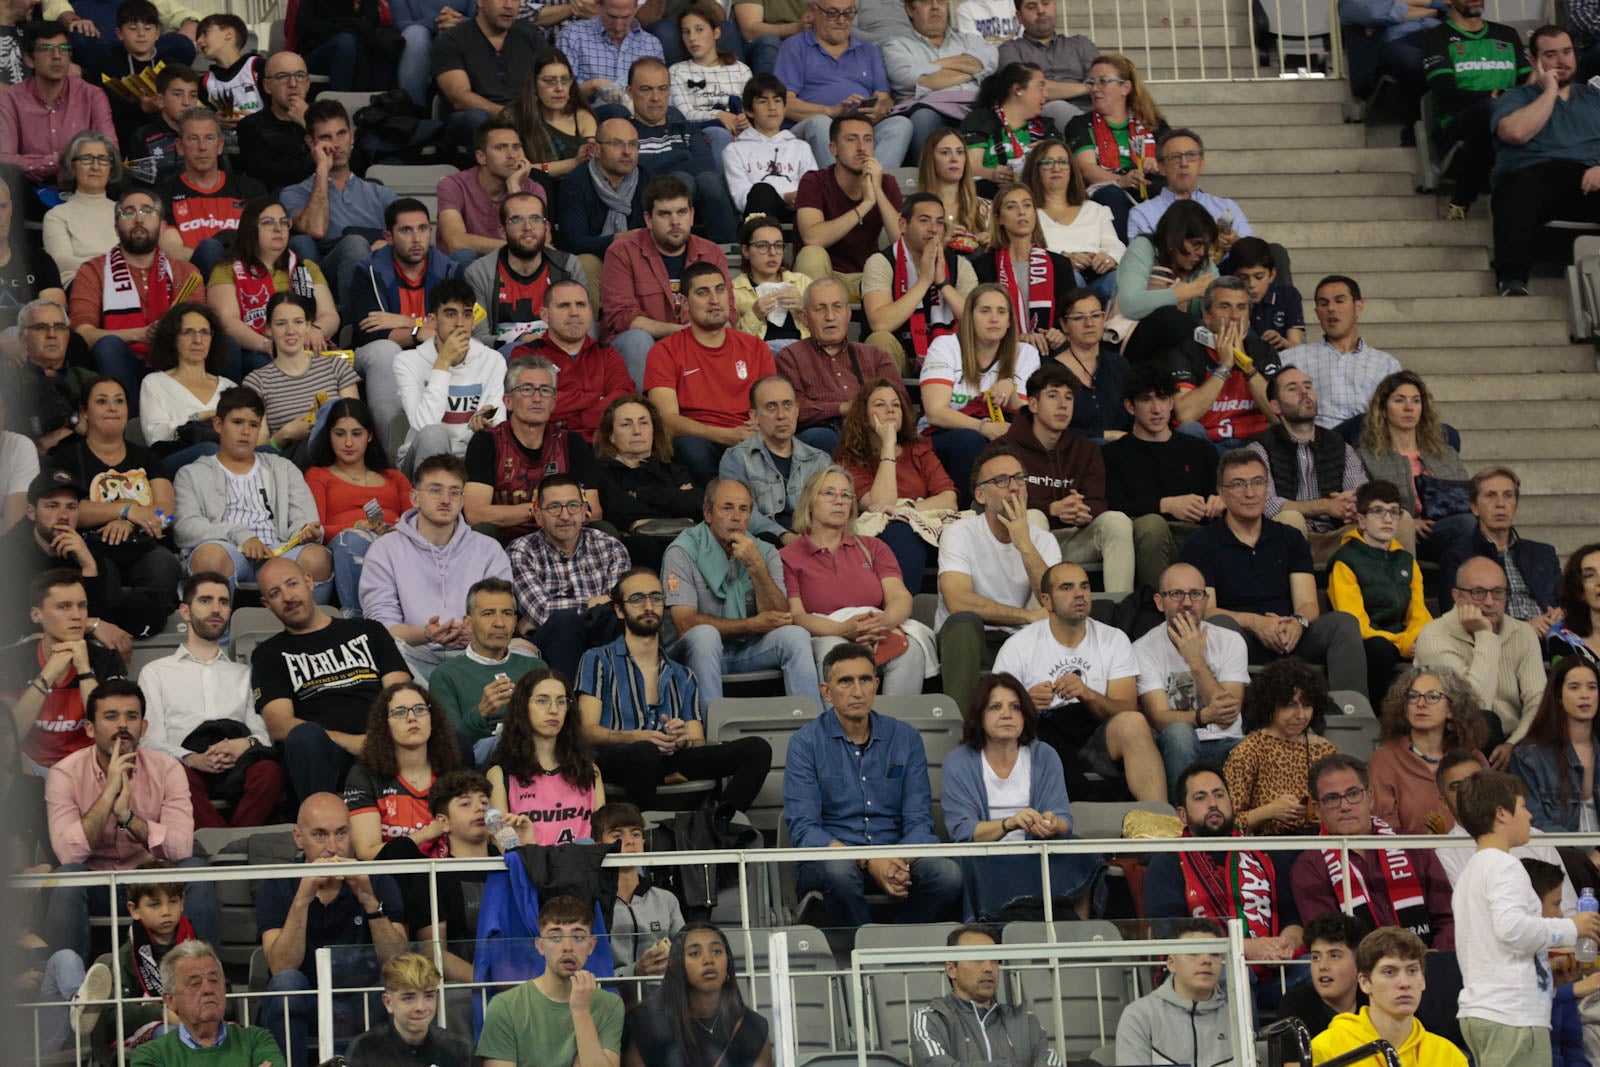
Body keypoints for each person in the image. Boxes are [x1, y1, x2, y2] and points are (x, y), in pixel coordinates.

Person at [782, 641, 963, 927]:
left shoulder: (905, 738)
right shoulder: (805, 743)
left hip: (895, 854)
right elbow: (804, 829)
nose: (857, 691)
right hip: (832, 859)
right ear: (826, 692)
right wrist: (869, 860)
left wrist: (896, 861)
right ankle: (863, 950)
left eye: (865, 679)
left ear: (876, 685)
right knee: (839, 872)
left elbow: (918, 821)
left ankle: (899, 946)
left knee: (948, 874)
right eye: (845, 681)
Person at [44, 679, 214, 964]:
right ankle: (70, 986)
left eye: (131, 717)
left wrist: (127, 817)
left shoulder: (167, 768)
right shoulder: (64, 774)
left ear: (143, 728)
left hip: (152, 883)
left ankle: (200, 976)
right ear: (90, 728)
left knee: (195, 870)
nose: (123, 725)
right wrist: (109, 793)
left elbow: (181, 849)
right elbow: (68, 854)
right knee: (68, 879)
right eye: (111, 716)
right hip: (97, 885)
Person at [579, 567, 773, 815]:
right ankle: (645, 835)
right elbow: (586, 732)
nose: (648, 605)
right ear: (619, 610)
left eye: (656, 598)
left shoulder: (683, 674)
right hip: (616, 758)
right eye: (637, 598)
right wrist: (635, 737)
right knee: (644, 751)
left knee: (757, 749)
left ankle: (716, 828)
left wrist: (683, 739)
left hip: (668, 759)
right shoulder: (597, 660)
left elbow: (697, 740)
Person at [1183, 448, 1367, 694]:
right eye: (1238, 485)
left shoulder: (1289, 537)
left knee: (1343, 624)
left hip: (1288, 635)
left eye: (1257, 482)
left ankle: (1350, 717)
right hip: (1240, 638)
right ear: (1222, 493)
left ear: (1267, 487)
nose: (1250, 493)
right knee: (1219, 625)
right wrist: (1255, 622)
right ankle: (1225, 713)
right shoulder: (1201, 543)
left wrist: (1297, 624)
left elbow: (1308, 604)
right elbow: (1208, 611)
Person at [1451, 769, 1599, 1064]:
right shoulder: (1505, 866)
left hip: (1490, 1011)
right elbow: (1513, 930)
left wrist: (1549, 974)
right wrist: (1571, 927)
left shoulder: (1472, 872)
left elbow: (1496, 947)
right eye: (1523, 806)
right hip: (1513, 1017)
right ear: (1502, 814)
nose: (1530, 816)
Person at [990, 560, 1164, 801]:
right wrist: (1024, 703)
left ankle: (1158, 824)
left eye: (1084, 586)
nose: (1079, 594)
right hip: (1041, 737)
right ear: (1046, 601)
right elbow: (994, 712)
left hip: (1096, 735)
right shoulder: (1019, 646)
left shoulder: (1113, 639)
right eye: (1067, 588)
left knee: (1133, 723)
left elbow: (1126, 708)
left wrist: (1088, 693)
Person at [255, 792, 408, 1067]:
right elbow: (280, 967)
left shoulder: (378, 878)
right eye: (320, 836)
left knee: (394, 990)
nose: (333, 848)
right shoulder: (276, 884)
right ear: (298, 838)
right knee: (286, 984)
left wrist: (370, 902)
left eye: (341, 834)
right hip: (307, 1002)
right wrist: (302, 898)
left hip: (364, 1002)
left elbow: (399, 964)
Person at [942, 674, 1103, 919]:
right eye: (996, 707)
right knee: (969, 858)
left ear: (1025, 715)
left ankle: (1077, 933)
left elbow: (1063, 818)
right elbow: (963, 831)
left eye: (1015, 707)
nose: (1006, 714)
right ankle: (989, 930)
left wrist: (1051, 823)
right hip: (986, 856)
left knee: (1078, 850)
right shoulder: (959, 762)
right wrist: (1010, 823)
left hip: (1035, 851)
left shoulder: (1044, 755)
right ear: (979, 716)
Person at [251, 555, 412, 800]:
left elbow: (401, 694)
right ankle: (322, 827)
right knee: (304, 737)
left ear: (309, 581)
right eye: (275, 593)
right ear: (267, 604)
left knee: (454, 740)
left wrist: (381, 741)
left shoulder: (369, 630)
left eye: (292, 584)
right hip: (327, 755)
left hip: (388, 745)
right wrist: (352, 742)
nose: (288, 597)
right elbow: (279, 724)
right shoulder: (269, 654)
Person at [140, 572, 283, 830]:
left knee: (270, 773)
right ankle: (228, 846)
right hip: (184, 764)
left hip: (238, 762)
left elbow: (262, 734)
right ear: (185, 611)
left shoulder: (244, 674)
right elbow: (150, 741)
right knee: (172, 776)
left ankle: (228, 847)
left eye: (223, 602)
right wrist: (191, 758)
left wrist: (244, 743)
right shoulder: (156, 672)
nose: (216, 609)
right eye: (205, 601)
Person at [43, 376, 183, 638]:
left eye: (119, 401)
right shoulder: (68, 458)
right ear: (84, 411)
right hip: (91, 547)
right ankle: (104, 639)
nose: (112, 408)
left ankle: (146, 632)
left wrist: (130, 523)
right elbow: (66, 511)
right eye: (102, 401)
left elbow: (166, 510)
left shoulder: (147, 458)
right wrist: (125, 511)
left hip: (143, 545)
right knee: (100, 574)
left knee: (163, 565)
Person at [662, 477, 819, 706]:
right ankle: (712, 735)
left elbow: (781, 618)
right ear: (707, 513)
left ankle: (809, 730)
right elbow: (684, 624)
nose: (736, 517)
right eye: (727, 508)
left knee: (796, 636)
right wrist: (750, 625)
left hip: (746, 650)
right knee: (705, 636)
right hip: (692, 653)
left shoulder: (764, 552)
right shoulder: (682, 551)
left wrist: (757, 567)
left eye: (743, 509)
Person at [360, 454, 514, 683]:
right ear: (414, 498)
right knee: (382, 655)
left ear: (462, 502)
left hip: (474, 654)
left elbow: (504, 613)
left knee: (524, 653)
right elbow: (381, 626)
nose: (445, 499)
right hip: (412, 655)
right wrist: (426, 634)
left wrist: (479, 632)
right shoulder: (384, 550)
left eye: (454, 492)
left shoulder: (488, 550)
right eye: (435, 490)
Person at [1143, 764, 1304, 981]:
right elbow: (1173, 936)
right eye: (1200, 798)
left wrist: (1287, 943)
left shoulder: (1266, 856)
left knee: (1316, 970)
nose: (1212, 804)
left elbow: (1292, 919)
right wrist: (1244, 947)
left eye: (1219, 795)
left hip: (1275, 968)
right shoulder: (1167, 863)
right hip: (1206, 972)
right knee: (1236, 975)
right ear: (1182, 814)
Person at [173, 386, 334, 599]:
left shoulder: (283, 468)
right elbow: (185, 528)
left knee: (317, 558)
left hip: (279, 549)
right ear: (218, 425)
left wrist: (304, 532)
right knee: (209, 557)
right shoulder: (191, 473)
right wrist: (240, 535)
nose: (246, 432)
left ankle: (315, 632)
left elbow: (305, 518)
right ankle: (218, 632)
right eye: (237, 422)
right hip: (228, 549)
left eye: (253, 425)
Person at [781, 466, 928, 694]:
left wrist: (882, 624)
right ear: (810, 501)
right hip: (826, 634)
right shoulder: (788, 557)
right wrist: (845, 629)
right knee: (836, 650)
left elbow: (899, 596)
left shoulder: (873, 547)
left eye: (846, 495)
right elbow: (796, 616)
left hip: (875, 628)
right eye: (829, 493)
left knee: (910, 650)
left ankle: (895, 727)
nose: (839, 501)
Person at [934, 444, 1061, 707]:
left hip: (1019, 641)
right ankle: (963, 733)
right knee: (964, 622)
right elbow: (958, 602)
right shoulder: (960, 533)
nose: (1014, 487)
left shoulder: (1043, 541)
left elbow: (1055, 603)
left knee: (1056, 629)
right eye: (1002, 481)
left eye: (1019, 479)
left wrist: (1025, 544)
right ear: (980, 495)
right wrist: (1026, 616)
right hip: (970, 640)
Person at [1289, 753, 1457, 948]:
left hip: (1426, 967)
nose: (1345, 806)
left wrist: (1436, 961)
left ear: (1369, 797)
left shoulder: (1414, 846)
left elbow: (1447, 919)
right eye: (1332, 798)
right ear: (1317, 809)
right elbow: (1329, 943)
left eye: (1353, 794)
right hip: (1359, 974)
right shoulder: (1309, 867)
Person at [70, 188, 207, 414]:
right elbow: (82, 333)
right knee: (109, 345)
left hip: (176, 363)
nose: (138, 218)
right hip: (122, 364)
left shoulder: (186, 272)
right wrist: (139, 334)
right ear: (116, 228)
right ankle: (131, 426)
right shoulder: (92, 271)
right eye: (128, 213)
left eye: (147, 211)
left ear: (163, 227)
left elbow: (201, 329)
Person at [1001, 362, 1135, 591]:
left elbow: (1097, 502)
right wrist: (1052, 510)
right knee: (1033, 518)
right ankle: (1039, 615)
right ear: (1032, 404)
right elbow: (1000, 504)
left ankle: (1119, 613)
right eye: (1053, 396)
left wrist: (1083, 512)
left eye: (1069, 398)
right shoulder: (1005, 449)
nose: (1063, 404)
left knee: (1117, 522)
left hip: (1071, 539)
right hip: (1018, 544)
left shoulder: (1087, 450)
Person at [1489, 27, 1600, 296]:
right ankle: (1512, 278)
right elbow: (1514, 133)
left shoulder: (1593, 98)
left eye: (1567, 52)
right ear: (1534, 61)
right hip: (1533, 177)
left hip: (1587, 179)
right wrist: (1549, 91)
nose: (1562, 61)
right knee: (1520, 185)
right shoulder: (1516, 98)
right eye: (1551, 55)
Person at [641, 262, 775, 484]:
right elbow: (667, 421)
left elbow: (772, 403)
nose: (714, 300)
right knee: (693, 448)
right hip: (701, 442)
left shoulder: (756, 347)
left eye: (720, 290)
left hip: (750, 438)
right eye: (703, 293)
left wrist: (757, 427)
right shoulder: (664, 351)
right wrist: (726, 435)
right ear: (684, 303)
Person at [345, 202, 462, 445]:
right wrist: (422, 330)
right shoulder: (368, 271)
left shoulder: (450, 270)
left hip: (432, 352)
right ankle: (393, 445)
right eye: (406, 231)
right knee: (386, 350)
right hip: (380, 355)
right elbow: (371, 333)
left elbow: (456, 330)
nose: (417, 238)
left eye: (422, 229)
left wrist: (405, 323)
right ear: (388, 236)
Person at [605, 178, 739, 392]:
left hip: (698, 344)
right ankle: (647, 417)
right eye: (665, 214)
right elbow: (622, 318)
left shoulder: (711, 252)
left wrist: (694, 335)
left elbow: (728, 314)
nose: (675, 221)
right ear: (648, 219)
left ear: (692, 215)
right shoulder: (622, 252)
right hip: (647, 348)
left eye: (681, 212)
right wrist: (679, 332)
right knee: (637, 340)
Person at [1414, 555, 1547, 765]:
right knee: (1487, 720)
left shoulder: (1523, 633)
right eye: (1478, 593)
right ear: (1457, 597)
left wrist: (1515, 743)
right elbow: (1475, 705)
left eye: (1497, 593)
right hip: (1454, 741)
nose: (1488, 602)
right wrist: (1485, 635)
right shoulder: (1434, 635)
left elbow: (1538, 699)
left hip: (1515, 741)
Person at [1101, 362, 1221, 591]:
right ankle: (1154, 611)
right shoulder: (1112, 454)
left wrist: (1219, 500)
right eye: (1147, 400)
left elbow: (1219, 492)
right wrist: (1165, 505)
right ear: (1130, 406)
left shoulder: (1200, 450)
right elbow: (1111, 505)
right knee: (1151, 524)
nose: (1157, 409)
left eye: (1163, 398)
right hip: (1146, 538)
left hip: (1198, 535)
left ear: (1172, 401)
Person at [1134, 564, 1249, 799]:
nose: (1187, 603)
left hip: (1228, 742)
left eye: (1195, 594)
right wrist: (1204, 717)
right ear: (1159, 602)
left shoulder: (1231, 641)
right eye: (1176, 594)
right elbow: (1160, 719)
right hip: (1177, 747)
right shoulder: (1143, 649)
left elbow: (1228, 717)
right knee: (1179, 733)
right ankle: (1182, 822)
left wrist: (1196, 660)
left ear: (1206, 600)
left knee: (1254, 747)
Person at [917, 283, 1040, 501]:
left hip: (996, 432)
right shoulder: (945, 346)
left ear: (1010, 320)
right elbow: (936, 412)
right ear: (969, 317)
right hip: (942, 436)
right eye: (985, 311)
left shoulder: (1026, 353)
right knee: (970, 440)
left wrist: (1010, 387)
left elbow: (1028, 417)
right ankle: (969, 512)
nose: (994, 318)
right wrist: (983, 427)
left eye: (1001, 312)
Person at [1244, 366, 1379, 562]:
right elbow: (1266, 504)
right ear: (1275, 406)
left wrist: (1351, 505)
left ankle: (1395, 591)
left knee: (1394, 519)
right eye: (1292, 388)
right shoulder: (1260, 448)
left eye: (1307, 386)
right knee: (1291, 519)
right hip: (1284, 540)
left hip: (1336, 537)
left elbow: (1360, 492)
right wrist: (1326, 506)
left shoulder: (1339, 445)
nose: (1304, 392)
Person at [463, 353, 602, 543]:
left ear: (553, 402)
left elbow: (592, 509)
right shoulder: (486, 442)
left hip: (559, 538)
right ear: (508, 401)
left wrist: (544, 512)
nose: (537, 398)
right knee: (483, 531)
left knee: (602, 529)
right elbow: (475, 514)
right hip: (503, 542)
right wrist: (542, 509)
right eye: (527, 389)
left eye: (545, 390)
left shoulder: (572, 443)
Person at [474, 894, 626, 1067]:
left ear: (591, 945)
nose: (568, 947)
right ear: (540, 946)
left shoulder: (610, 1005)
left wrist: (581, 1011)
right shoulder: (505, 1006)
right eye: (555, 937)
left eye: (578, 937)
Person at [830, 375, 953, 584]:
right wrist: (888, 444)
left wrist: (905, 510)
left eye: (896, 405)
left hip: (925, 531)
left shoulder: (918, 449)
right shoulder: (849, 460)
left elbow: (949, 499)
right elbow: (880, 504)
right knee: (901, 533)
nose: (890, 410)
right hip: (880, 539)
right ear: (862, 414)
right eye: (880, 404)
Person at [0, 570, 127, 771]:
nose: (77, 616)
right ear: (36, 614)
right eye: (64, 607)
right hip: (31, 768)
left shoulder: (107, 659)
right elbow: (9, 736)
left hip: (89, 768)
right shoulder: (10, 660)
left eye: (82, 606)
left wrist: (85, 671)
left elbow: (113, 732)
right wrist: (48, 675)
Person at [508, 473, 630, 679]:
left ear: (584, 511)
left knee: (621, 624)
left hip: (604, 636)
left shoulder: (611, 547)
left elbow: (619, 609)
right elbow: (543, 612)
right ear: (538, 515)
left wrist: (608, 606)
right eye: (554, 507)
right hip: (554, 643)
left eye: (573, 506)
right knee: (566, 621)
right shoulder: (521, 551)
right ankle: (568, 704)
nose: (565, 516)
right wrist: (597, 603)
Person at [303, 397, 413, 616]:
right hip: (345, 545)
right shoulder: (318, 476)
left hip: (394, 544)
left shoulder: (394, 477)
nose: (349, 443)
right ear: (329, 436)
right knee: (353, 539)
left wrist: (394, 528)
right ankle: (358, 621)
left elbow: (415, 520)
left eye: (357, 433)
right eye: (340, 434)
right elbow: (318, 530)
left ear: (370, 435)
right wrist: (355, 527)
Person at [1328, 481, 1434, 703]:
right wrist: (1404, 644)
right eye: (1378, 511)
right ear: (1361, 520)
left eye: (1394, 512)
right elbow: (1355, 624)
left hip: (1402, 640)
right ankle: (1378, 716)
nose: (1388, 519)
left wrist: (1416, 639)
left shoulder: (1406, 560)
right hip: (1368, 643)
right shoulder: (1345, 561)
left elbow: (1419, 612)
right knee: (1380, 649)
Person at [280, 100, 397, 302]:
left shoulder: (381, 193)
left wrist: (389, 245)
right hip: (328, 272)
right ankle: (358, 329)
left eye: (341, 134)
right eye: (326, 137)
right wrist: (323, 168)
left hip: (382, 268)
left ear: (352, 135)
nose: (336, 144)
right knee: (353, 244)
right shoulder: (294, 193)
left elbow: (411, 235)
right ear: (311, 142)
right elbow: (316, 229)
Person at [1354, 370, 1473, 565]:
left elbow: (1467, 497)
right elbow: (1363, 506)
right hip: (1400, 535)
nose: (1409, 407)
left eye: (1416, 401)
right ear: (1383, 410)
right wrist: (1407, 523)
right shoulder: (1366, 457)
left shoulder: (1445, 454)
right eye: (1400, 400)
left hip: (1448, 528)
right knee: (1467, 527)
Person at [392, 277, 507, 471]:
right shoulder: (407, 361)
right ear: (433, 321)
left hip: (471, 454)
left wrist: (486, 421)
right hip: (421, 458)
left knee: (490, 441)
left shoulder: (493, 360)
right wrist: (443, 363)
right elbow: (423, 426)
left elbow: (497, 417)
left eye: (467, 315)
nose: (460, 324)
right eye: (450, 314)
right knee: (434, 434)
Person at [775, 279, 904, 453]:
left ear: (848, 313)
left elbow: (902, 403)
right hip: (825, 436)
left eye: (837, 307)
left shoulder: (875, 356)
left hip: (874, 430)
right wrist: (841, 408)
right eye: (820, 309)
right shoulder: (790, 357)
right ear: (804, 318)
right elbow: (791, 410)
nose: (830, 316)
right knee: (819, 437)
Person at [1433, 750, 1580, 901]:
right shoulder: (1445, 855)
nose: (1467, 792)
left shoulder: (1536, 838)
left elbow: (1568, 907)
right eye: (1457, 787)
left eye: (1476, 782)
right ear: (1444, 802)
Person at [1311, 927, 1469, 1067]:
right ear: (1365, 982)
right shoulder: (1328, 1049)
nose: (1404, 983)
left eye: (1412, 971)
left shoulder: (1448, 1056)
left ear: (1423, 980)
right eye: (1389, 972)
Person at [208, 198, 340, 366]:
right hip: (257, 350)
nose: (278, 229)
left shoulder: (305, 268)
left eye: (284, 222)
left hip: (303, 346)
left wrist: (315, 330)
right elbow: (226, 321)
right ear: (251, 229)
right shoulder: (227, 269)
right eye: (268, 222)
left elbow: (329, 315)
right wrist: (267, 345)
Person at [909, 924, 1064, 1067]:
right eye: (977, 959)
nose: (989, 968)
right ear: (951, 969)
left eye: (994, 960)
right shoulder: (930, 1019)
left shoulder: (1025, 1021)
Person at [773, 8, 912, 167]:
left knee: (900, 124)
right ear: (813, 12)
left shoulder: (868, 50)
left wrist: (879, 110)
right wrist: (831, 111)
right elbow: (784, 104)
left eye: (848, 13)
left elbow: (885, 99)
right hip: (815, 128)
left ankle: (874, 185)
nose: (841, 20)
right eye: (832, 13)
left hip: (860, 127)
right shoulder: (795, 46)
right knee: (820, 123)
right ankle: (839, 189)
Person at [430, 577, 545, 767]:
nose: (499, 623)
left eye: (507, 613)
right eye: (488, 613)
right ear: (468, 623)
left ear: (515, 622)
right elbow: (450, 746)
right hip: (478, 761)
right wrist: (481, 712)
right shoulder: (446, 675)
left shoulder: (535, 668)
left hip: (534, 754)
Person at [624, 922, 771, 1067]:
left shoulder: (752, 1027)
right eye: (695, 953)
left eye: (717, 951)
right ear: (677, 965)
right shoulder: (647, 1024)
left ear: (728, 963)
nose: (709, 960)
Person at [344, 681, 462, 860]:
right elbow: (367, 853)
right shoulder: (364, 776)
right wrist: (427, 833)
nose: (412, 717)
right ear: (385, 724)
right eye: (399, 712)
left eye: (420, 709)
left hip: (447, 878)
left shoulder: (453, 773)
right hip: (390, 881)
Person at [626, 55, 738, 244]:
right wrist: (681, 161)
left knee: (710, 180)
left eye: (662, 89)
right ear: (630, 92)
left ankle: (726, 251)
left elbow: (706, 165)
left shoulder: (686, 129)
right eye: (646, 89)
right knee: (683, 179)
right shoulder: (626, 133)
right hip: (645, 207)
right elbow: (639, 174)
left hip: (693, 200)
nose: (655, 98)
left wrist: (666, 168)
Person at [503, 281, 632, 445]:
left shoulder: (607, 353)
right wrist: (596, 398)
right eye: (564, 305)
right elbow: (534, 403)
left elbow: (623, 401)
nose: (574, 312)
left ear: (590, 312)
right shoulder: (527, 354)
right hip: (550, 449)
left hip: (605, 447)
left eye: (581, 305)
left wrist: (568, 422)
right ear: (545, 315)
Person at [860, 192, 975, 374]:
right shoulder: (881, 262)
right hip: (900, 358)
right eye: (924, 220)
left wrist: (943, 283)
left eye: (939, 222)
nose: (933, 229)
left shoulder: (959, 265)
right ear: (903, 225)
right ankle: (891, 402)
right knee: (880, 340)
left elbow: (976, 322)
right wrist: (923, 282)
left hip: (949, 358)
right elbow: (880, 323)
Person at [488, 669, 606, 844]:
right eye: (542, 701)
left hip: (583, 868)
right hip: (530, 868)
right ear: (523, 707)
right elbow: (503, 843)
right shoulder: (498, 775)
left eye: (561, 701)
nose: (553, 710)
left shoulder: (590, 770)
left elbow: (602, 836)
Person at [1160, 275, 1280, 448]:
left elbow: (1277, 414)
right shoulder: (1185, 352)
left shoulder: (1264, 350)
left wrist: (1246, 365)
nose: (1234, 316)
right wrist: (1224, 367)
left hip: (1255, 445)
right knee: (1189, 429)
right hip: (1208, 447)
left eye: (1241, 308)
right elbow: (1185, 415)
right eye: (1225, 307)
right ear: (1207, 315)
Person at [1224, 657, 1339, 834]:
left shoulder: (1325, 751)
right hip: (1269, 849)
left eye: (1307, 706)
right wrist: (1268, 812)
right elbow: (1226, 825)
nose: (1301, 715)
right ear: (1271, 706)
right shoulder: (1249, 751)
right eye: (1290, 706)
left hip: (1320, 846)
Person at [128, 940, 288, 1067]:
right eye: (195, 983)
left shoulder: (257, 1040)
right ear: (170, 1000)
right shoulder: (151, 1055)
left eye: (214, 980)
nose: (208, 989)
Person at [1440, 466, 1562, 630]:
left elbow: (1566, 601)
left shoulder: (1543, 553)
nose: (1500, 504)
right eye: (1491, 496)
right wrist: (1523, 629)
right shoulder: (1458, 556)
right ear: (1474, 507)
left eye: (1508, 496)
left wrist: (1562, 612)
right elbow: (1456, 617)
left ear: (1516, 506)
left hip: (1551, 637)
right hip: (1499, 643)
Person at [465, 195, 589, 356]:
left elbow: (586, 330)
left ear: (546, 227)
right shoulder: (479, 273)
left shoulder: (568, 267)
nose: (528, 227)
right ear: (502, 231)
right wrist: (519, 340)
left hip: (562, 354)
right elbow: (478, 339)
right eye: (516, 220)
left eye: (536, 219)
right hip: (504, 359)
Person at [1062, 53, 1168, 242]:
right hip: (1107, 190)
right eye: (1092, 82)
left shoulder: (1152, 124)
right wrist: (1121, 180)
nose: (1094, 89)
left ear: (1125, 87)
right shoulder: (1080, 124)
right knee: (1112, 194)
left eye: (1103, 81)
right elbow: (1087, 168)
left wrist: (1158, 164)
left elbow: (1173, 158)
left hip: (1148, 187)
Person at [1367, 666, 1485, 834]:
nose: (1421, 704)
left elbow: (1490, 819)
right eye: (1413, 697)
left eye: (1433, 697)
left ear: (1451, 709)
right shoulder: (1385, 760)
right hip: (1410, 858)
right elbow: (1386, 831)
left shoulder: (1472, 759)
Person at [591, 393, 702, 571]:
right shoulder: (601, 472)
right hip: (637, 549)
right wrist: (675, 499)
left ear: (653, 430)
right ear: (611, 435)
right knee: (643, 544)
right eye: (626, 424)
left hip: (683, 542)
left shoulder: (673, 469)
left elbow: (698, 505)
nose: (637, 431)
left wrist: (641, 494)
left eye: (644, 423)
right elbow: (619, 512)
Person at [792, 116, 906, 286]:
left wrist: (878, 192)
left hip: (868, 278)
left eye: (868, 140)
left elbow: (901, 243)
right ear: (833, 148)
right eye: (851, 140)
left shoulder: (886, 184)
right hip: (826, 277)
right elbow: (812, 238)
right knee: (811, 254)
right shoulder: (814, 181)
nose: (862, 148)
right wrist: (865, 205)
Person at [242, 292, 359, 456]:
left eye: (298, 322)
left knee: (335, 413)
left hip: (340, 455)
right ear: (268, 329)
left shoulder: (336, 366)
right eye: (281, 323)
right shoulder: (256, 382)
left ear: (308, 326)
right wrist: (286, 433)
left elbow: (356, 425)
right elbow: (259, 450)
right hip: (290, 462)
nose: (290, 331)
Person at [719, 376, 831, 544]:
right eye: (771, 407)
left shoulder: (820, 460)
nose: (781, 415)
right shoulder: (736, 458)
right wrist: (785, 537)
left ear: (796, 410)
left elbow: (833, 510)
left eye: (787, 405)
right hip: (762, 548)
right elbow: (741, 513)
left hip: (814, 548)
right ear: (754, 416)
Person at [0, 22, 115, 186]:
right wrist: (63, 161)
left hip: (82, 185)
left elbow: (109, 152)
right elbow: (4, 160)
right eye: (46, 49)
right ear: (29, 60)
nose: (57, 55)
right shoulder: (10, 98)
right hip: (28, 189)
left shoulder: (92, 95)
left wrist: (39, 163)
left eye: (63, 49)